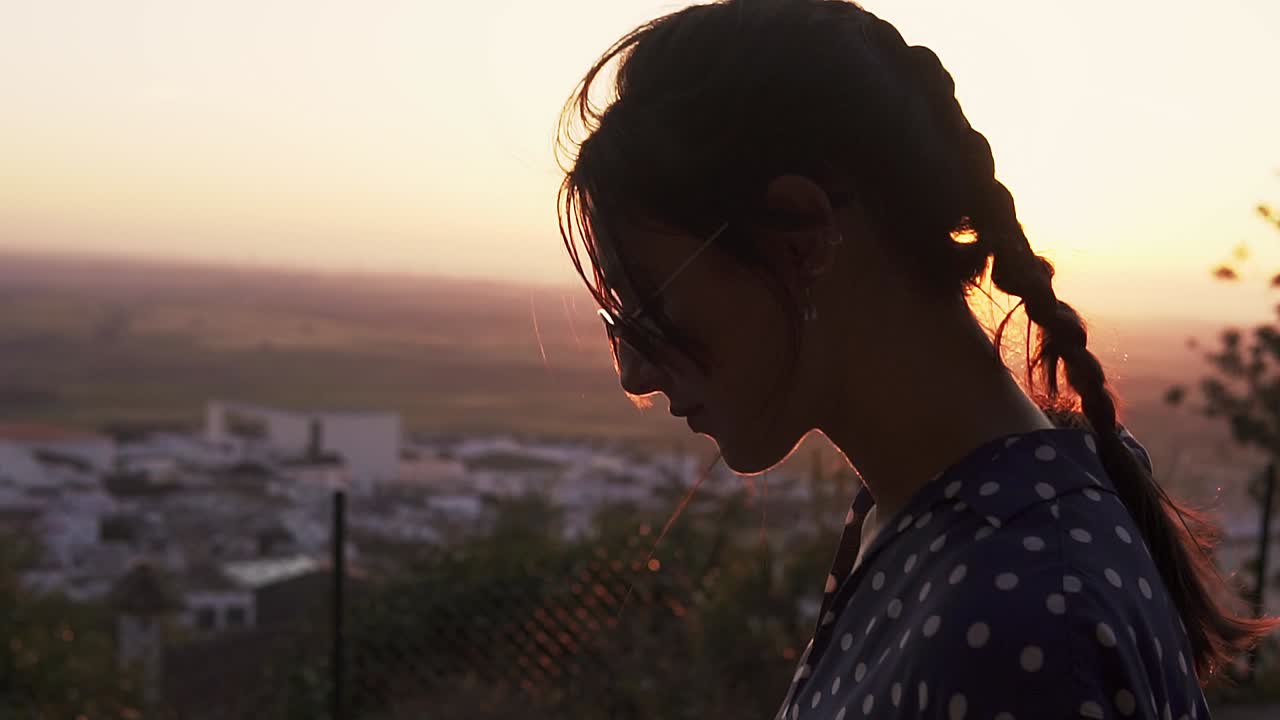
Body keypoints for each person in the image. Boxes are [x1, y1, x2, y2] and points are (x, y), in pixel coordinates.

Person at [554, 1, 1278, 718]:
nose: (633, 373)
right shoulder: (942, 516)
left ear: (800, 236)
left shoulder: (1023, 619)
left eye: (647, 308)